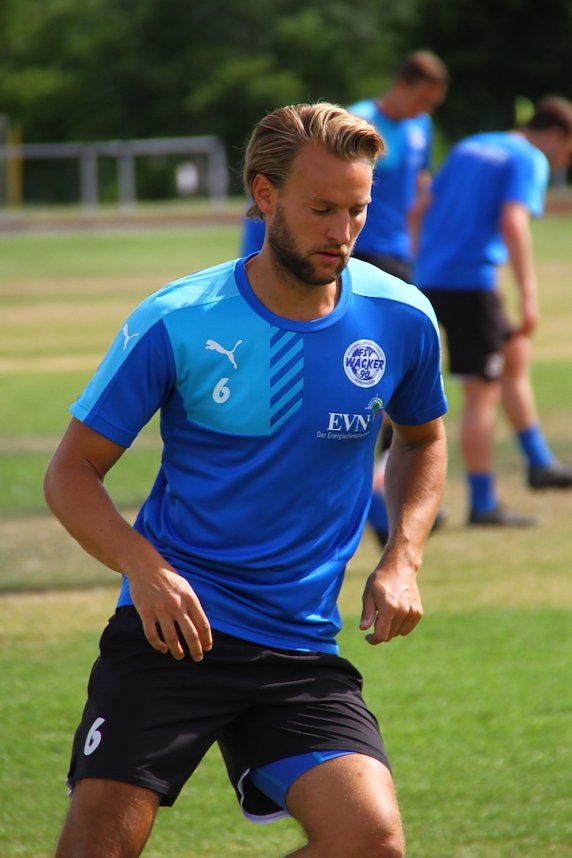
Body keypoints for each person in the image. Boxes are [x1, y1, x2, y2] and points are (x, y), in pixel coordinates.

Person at [45, 101, 448, 858]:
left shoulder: (400, 317)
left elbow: (424, 440)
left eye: (358, 210)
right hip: (173, 631)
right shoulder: (180, 318)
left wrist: (403, 556)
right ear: (264, 196)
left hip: (299, 647)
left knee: (371, 843)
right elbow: (70, 473)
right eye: (321, 208)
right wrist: (144, 565)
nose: (343, 232)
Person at [415, 95, 572, 527]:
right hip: (470, 284)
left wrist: (416, 261)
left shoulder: (471, 145)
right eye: (566, 152)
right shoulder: (530, 158)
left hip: (429, 278)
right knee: (481, 392)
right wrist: (529, 295)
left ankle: (539, 462)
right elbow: (513, 222)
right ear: (556, 136)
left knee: (513, 352)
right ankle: (482, 502)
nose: (561, 162)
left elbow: (421, 206)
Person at [348, 50, 450, 543]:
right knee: (362, 376)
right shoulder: (358, 121)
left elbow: (419, 188)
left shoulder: (420, 127)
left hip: (400, 260)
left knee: (405, 381)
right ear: (402, 85)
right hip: (357, 251)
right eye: (421, 99)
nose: (422, 110)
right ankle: (369, 500)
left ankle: (388, 493)